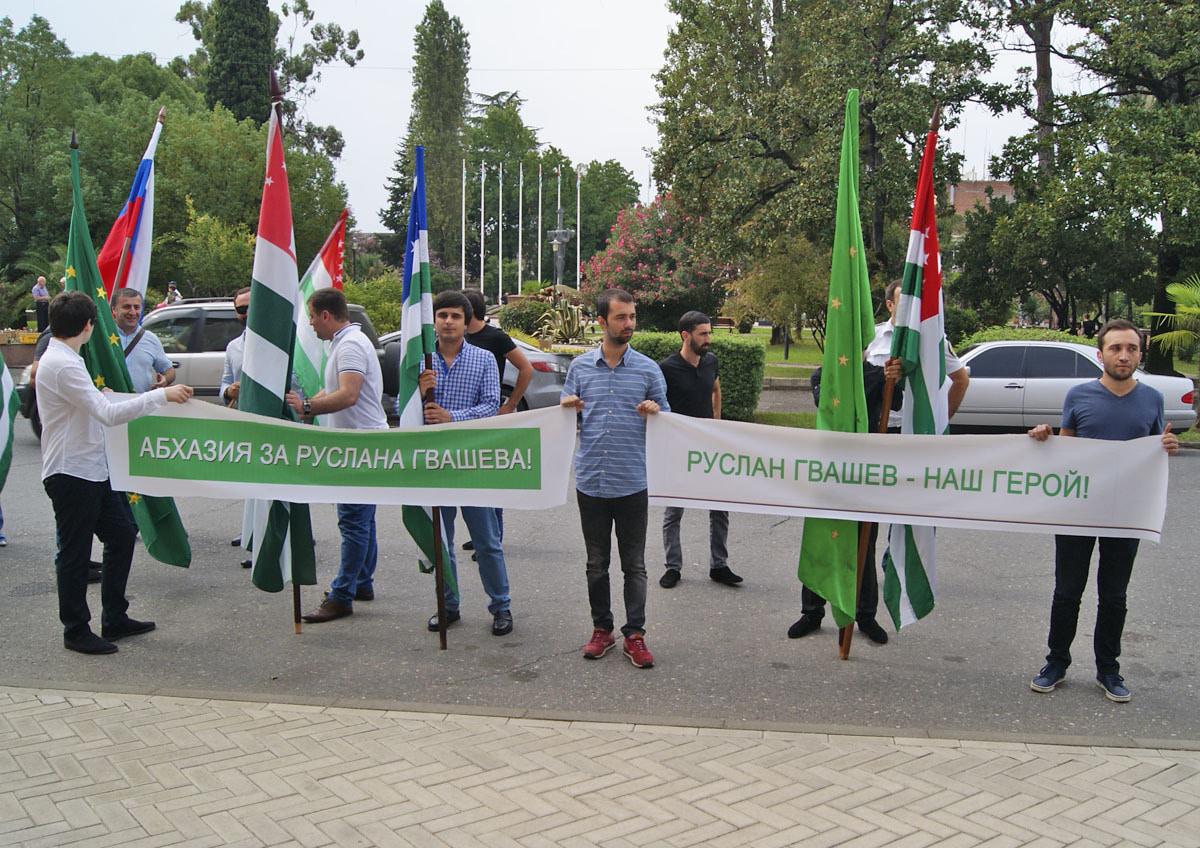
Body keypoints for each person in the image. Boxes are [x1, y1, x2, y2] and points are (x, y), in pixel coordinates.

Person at [1027, 318, 1178, 703]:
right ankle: (1056, 662)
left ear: (1140, 355)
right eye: (1116, 348)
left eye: (1131, 349)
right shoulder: (1078, 396)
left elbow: (1152, 450)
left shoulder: (1152, 399)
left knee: (1114, 596)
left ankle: (1108, 669)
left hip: (1126, 513)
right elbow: (1066, 453)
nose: (1123, 355)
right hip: (1077, 511)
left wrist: (1166, 447)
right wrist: (1044, 438)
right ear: (1101, 354)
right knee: (1067, 592)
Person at [37, 291, 193, 655]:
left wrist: (101, 393)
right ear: (88, 325)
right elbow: (106, 414)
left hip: (91, 468)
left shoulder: (66, 359)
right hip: (71, 472)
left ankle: (114, 617)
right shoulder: (63, 364)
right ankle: (75, 629)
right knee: (75, 553)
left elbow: (91, 404)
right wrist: (160, 397)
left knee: (122, 533)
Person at [561, 288, 668, 669]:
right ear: (602, 322)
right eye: (621, 317)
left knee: (634, 565)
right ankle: (601, 630)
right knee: (596, 563)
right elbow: (564, 416)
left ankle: (635, 634)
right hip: (591, 480)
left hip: (631, 482)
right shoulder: (579, 368)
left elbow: (667, 423)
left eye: (632, 317)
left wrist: (655, 412)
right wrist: (566, 408)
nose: (629, 324)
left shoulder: (648, 369)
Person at [288, 289, 388, 623]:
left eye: (312, 317)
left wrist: (307, 407)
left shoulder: (350, 346)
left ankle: (342, 594)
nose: (311, 324)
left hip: (358, 447)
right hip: (359, 443)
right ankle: (361, 582)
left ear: (326, 315)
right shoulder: (345, 343)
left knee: (353, 522)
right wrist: (307, 404)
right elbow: (333, 391)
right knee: (363, 520)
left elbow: (348, 395)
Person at [418, 290, 514, 637]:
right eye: (442, 315)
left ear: (466, 321)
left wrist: (451, 417)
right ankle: (448, 605)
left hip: (472, 461)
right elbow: (403, 409)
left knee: (486, 542)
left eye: (455, 316)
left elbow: (490, 405)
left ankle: (501, 606)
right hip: (434, 464)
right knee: (440, 542)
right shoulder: (421, 361)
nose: (448, 322)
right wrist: (419, 393)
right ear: (434, 320)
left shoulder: (484, 359)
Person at [657, 310, 741, 589]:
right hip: (678, 449)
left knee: (720, 507)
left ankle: (719, 565)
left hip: (709, 447)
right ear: (686, 335)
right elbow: (657, 404)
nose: (709, 339)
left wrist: (716, 422)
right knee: (674, 511)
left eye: (709, 332)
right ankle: (673, 567)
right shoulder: (666, 369)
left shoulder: (711, 361)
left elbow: (715, 389)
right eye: (703, 334)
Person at [461, 288, 533, 554]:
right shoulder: (459, 339)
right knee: (469, 480)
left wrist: (510, 404)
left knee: (489, 481)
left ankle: (492, 538)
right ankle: (479, 533)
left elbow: (526, 368)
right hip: (464, 420)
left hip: (489, 416)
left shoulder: (495, 337)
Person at [220, 287, 253, 568]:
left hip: (278, 423)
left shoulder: (284, 341)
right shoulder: (234, 347)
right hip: (246, 423)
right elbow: (225, 382)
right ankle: (253, 530)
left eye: (252, 306)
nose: (247, 313)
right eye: (242, 309)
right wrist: (229, 390)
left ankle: (291, 534)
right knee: (252, 480)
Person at [111, 288, 175, 393]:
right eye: (127, 307)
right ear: (114, 310)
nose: (132, 312)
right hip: (110, 402)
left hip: (141, 402)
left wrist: (165, 380)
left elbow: (169, 371)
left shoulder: (151, 339)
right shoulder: (104, 338)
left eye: (136, 307)